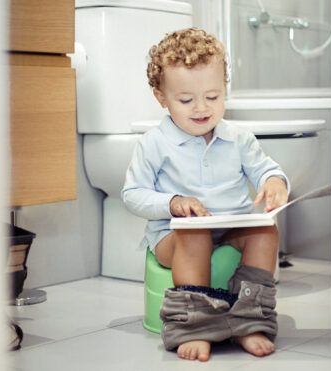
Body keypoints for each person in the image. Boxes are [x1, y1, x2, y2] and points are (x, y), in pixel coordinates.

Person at [121, 28, 289, 362]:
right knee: (194, 233)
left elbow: (265, 168)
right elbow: (132, 194)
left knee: (265, 231)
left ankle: (248, 320)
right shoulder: (154, 143)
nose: (201, 108)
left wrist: (274, 181)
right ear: (161, 97)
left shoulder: (239, 138)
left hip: (229, 226)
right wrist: (172, 203)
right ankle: (194, 326)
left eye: (212, 97)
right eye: (186, 100)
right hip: (175, 234)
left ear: (225, 88)